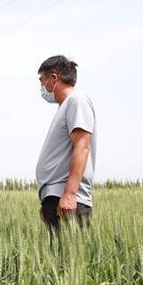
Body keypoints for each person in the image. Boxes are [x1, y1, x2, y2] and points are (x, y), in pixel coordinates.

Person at [35, 55, 96, 233]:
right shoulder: (64, 107)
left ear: (54, 79)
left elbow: (82, 146)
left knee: (71, 258)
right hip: (55, 197)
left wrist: (69, 194)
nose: (41, 87)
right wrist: (47, 199)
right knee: (58, 258)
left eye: (42, 80)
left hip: (67, 198)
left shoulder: (77, 101)